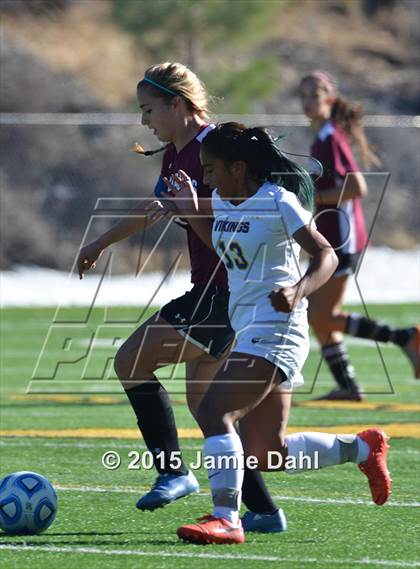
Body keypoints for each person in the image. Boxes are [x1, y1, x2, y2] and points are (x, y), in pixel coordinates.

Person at [77, 62, 286, 533]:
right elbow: (154, 208)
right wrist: (101, 243)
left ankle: (173, 471)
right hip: (215, 292)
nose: (144, 121)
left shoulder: (216, 150)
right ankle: (264, 512)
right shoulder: (177, 154)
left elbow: (244, 223)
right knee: (209, 413)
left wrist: (194, 211)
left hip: (225, 291)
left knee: (131, 362)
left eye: (149, 109)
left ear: (177, 103)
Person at [164, 122, 392, 545]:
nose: (206, 177)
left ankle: (227, 517)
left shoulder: (278, 201)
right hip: (246, 327)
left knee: (214, 411)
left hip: (279, 328)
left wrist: (299, 289)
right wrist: (189, 207)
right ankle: (364, 448)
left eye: (211, 169)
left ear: (238, 167)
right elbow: (225, 252)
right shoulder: (220, 198)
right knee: (267, 452)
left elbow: (325, 253)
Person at [298, 70, 419, 400]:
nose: (308, 101)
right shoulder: (321, 138)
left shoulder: (330, 138)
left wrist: (311, 196)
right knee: (319, 316)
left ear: (330, 100)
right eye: (304, 95)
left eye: (315, 94)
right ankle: (348, 385)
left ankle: (405, 337)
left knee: (322, 315)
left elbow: (356, 187)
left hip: (341, 238)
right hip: (329, 236)